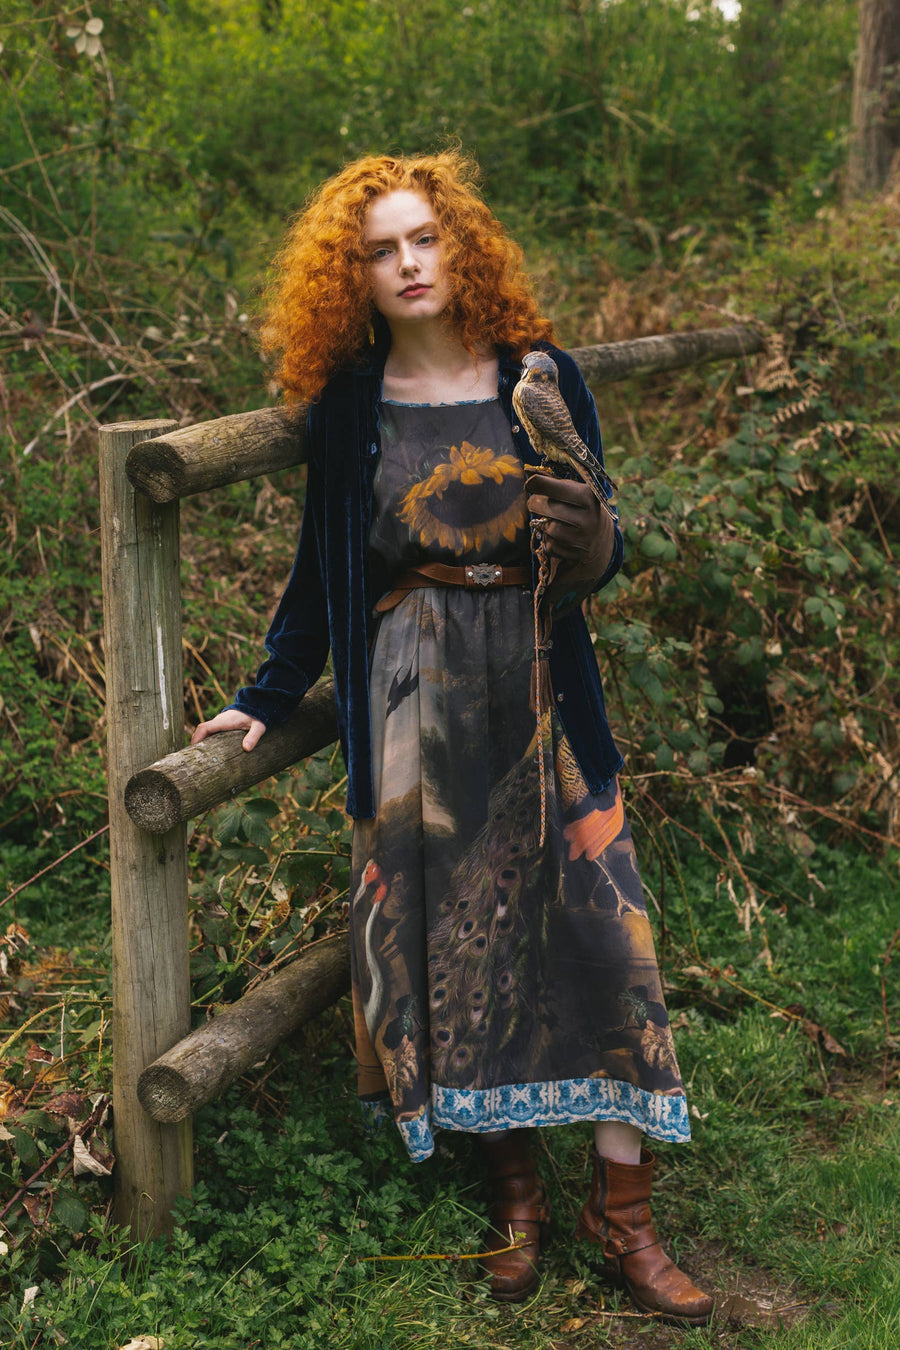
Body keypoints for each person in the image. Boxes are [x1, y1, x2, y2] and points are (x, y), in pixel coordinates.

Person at [192, 151, 713, 1325]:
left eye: (425, 238)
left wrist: (598, 546)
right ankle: (517, 1204)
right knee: (463, 960)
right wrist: (270, 693)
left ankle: (626, 1218)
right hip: (416, 703)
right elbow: (321, 571)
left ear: (459, 244)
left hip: (541, 685)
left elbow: (603, 537)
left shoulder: (540, 373)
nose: (409, 264)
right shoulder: (350, 405)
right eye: (381, 250)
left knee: (605, 933)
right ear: (354, 276)